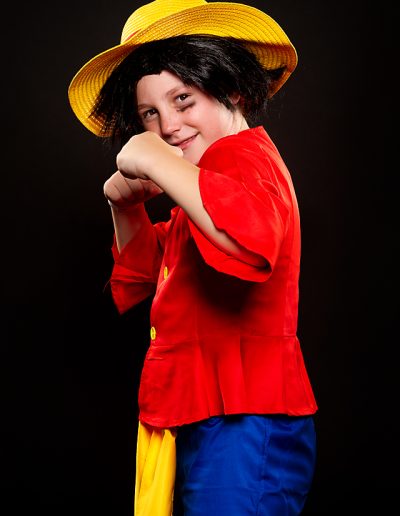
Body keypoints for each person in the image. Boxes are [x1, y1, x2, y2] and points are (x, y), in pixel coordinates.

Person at [68, 1, 318, 514]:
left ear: (233, 87)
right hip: (205, 411)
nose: (168, 125)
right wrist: (126, 207)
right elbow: (147, 276)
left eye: (183, 99)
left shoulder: (243, 157)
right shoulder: (203, 187)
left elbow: (249, 245)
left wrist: (161, 164)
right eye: (149, 114)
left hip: (247, 416)